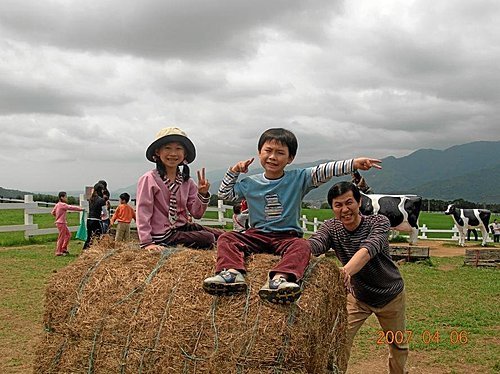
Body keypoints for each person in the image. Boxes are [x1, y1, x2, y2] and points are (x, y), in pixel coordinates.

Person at [203, 127, 382, 304]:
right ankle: (232, 274)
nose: (273, 157)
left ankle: (279, 279)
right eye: (268, 151)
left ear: (290, 158)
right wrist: (234, 171)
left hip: (287, 237)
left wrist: (354, 163)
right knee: (227, 238)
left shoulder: (299, 178)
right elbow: (225, 194)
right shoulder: (250, 183)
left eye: (280, 153)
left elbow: (325, 170)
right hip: (256, 234)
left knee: (303, 246)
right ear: (259, 153)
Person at [308, 181, 407, 374]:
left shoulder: (378, 223)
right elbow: (315, 243)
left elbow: (368, 249)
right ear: (332, 208)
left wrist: (345, 272)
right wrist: (297, 252)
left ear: (359, 202)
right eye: (338, 205)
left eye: (349, 202)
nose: (345, 209)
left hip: (390, 296)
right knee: (338, 342)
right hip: (358, 297)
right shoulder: (330, 228)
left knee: (397, 346)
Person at [136, 127, 224, 250]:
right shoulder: (149, 179)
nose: (173, 153)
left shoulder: (187, 182)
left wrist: (202, 194)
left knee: (222, 235)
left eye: (178, 149)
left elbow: (196, 213)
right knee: (208, 238)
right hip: (162, 235)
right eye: (167, 148)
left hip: (181, 227)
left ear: (184, 154)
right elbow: (143, 212)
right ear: (157, 152)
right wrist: (147, 242)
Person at [51, 191, 84, 256]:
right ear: (62, 197)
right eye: (65, 197)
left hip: (59, 222)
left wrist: (58, 216)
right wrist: (81, 209)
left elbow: (52, 212)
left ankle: (63, 248)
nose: (67, 198)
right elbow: (71, 207)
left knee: (68, 235)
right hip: (62, 223)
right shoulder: (63, 205)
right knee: (61, 237)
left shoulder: (57, 204)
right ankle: (58, 251)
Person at [83, 182, 106, 250]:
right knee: (99, 237)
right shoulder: (101, 200)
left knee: (89, 237)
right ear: (100, 190)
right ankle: (99, 250)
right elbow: (104, 212)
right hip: (96, 220)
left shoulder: (91, 199)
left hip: (89, 220)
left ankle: (85, 250)